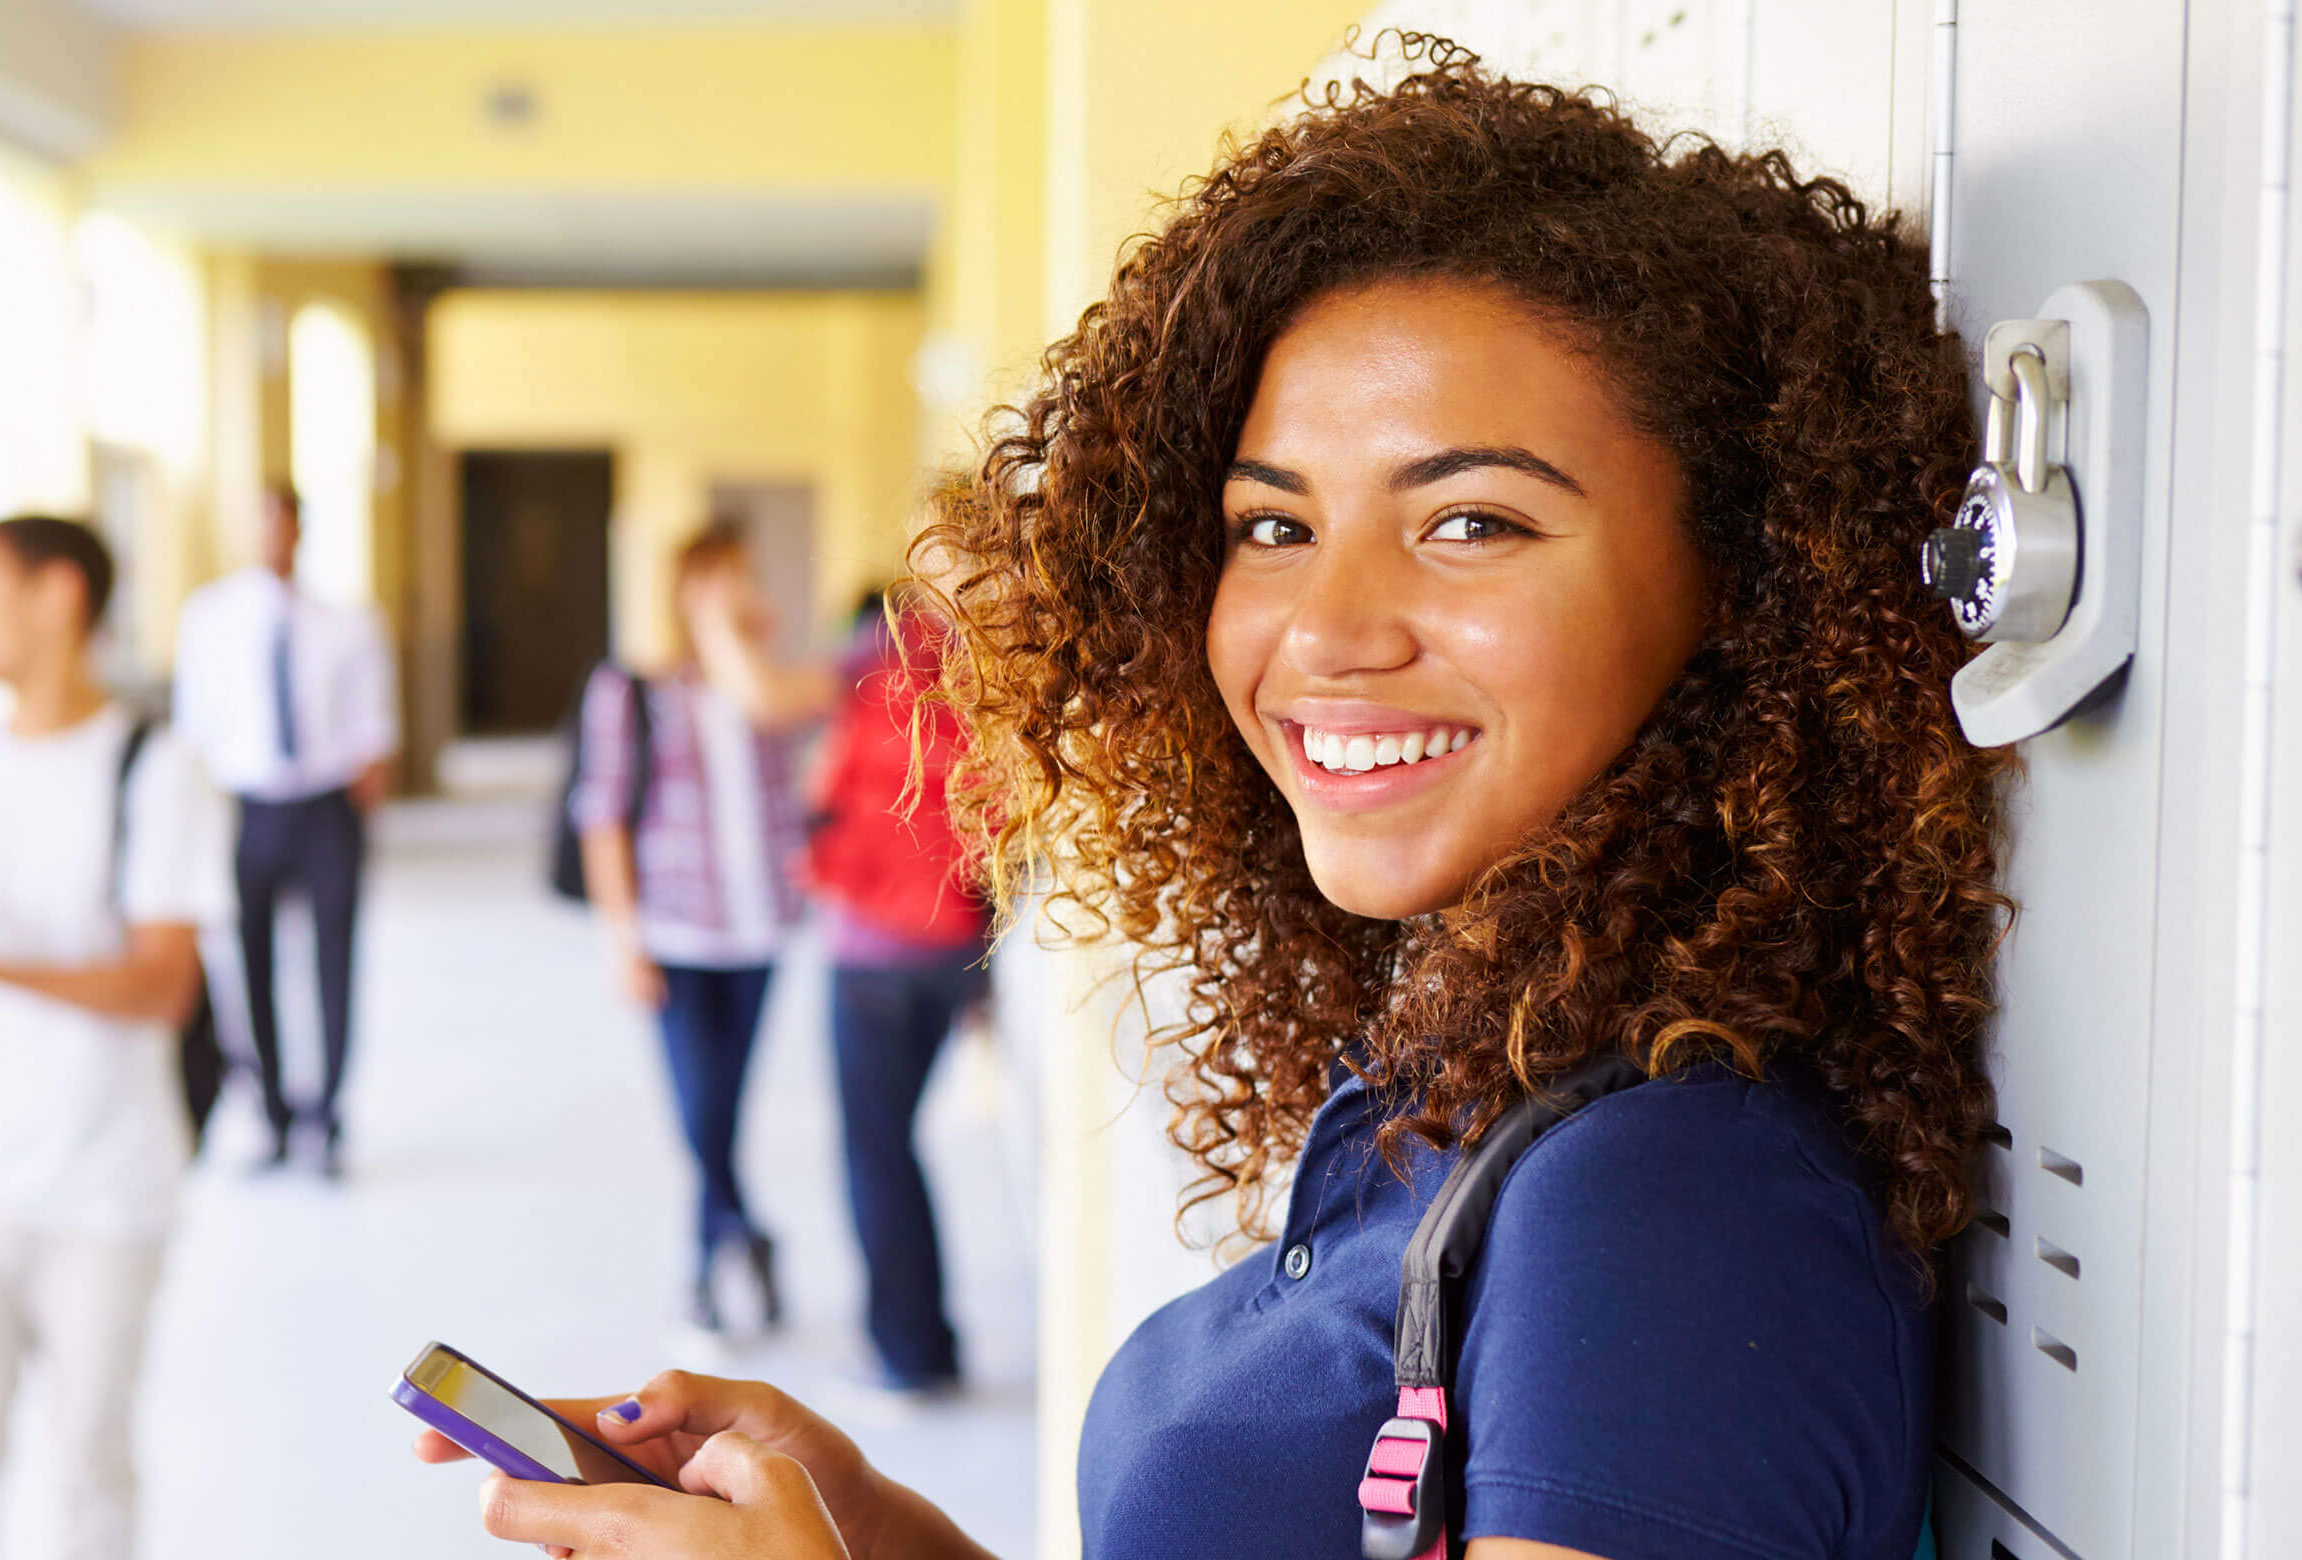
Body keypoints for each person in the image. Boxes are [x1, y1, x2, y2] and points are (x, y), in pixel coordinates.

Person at [414, 37, 2007, 1560]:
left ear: (1750, 581)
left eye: (1471, 523)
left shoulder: (1672, 1206)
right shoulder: (1469, 1063)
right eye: (1273, 528)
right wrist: (875, 1537)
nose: (1326, 631)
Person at [0, 516, 230, 1560]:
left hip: (104, 1191)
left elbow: (163, 986)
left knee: (90, 1470)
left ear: (59, 596)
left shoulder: (158, 769)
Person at [574, 520, 835, 1335]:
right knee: (702, 1114)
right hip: (677, 938)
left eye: (745, 577)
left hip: (759, 933)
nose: (739, 592)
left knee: (722, 1111)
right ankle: (735, 1241)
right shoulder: (632, 692)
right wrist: (624, 942)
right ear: (685, 592)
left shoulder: (768, 688)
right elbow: (602, 818)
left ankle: (718, 1257)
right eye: (721, 577)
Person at [173, 482, 397, 1180]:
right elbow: (194, 727)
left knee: (333, 960)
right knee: (252, 964)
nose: (273, 536)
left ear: (301, 531)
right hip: (248, 806)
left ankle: (327, 1114)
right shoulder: (208, 618)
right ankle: (272, 1113)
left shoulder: (347, 622)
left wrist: (366, 788)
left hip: (325, 804)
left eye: (284, 523)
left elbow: (374, 726)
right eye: (260, 523)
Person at [803, 580, 990, 1398]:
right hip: (951, 948)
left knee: (877, 1153)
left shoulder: (869, 667)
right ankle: (929, 1337)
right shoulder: (982, 675)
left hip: (871, 952)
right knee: (898, 1145)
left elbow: (809, 770)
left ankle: (907, 1351)